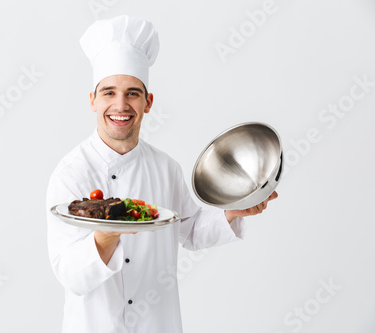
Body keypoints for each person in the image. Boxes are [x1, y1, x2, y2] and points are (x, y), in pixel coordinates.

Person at [46, 15, 278, 333]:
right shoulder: (70, 172)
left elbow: (190, 230)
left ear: (148, 102)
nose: (120, 104)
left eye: (132, 93)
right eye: (109, 92)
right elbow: (70, 274)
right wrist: (106, 235)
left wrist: (232, 212)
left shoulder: (166, 168)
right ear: (92, 101)